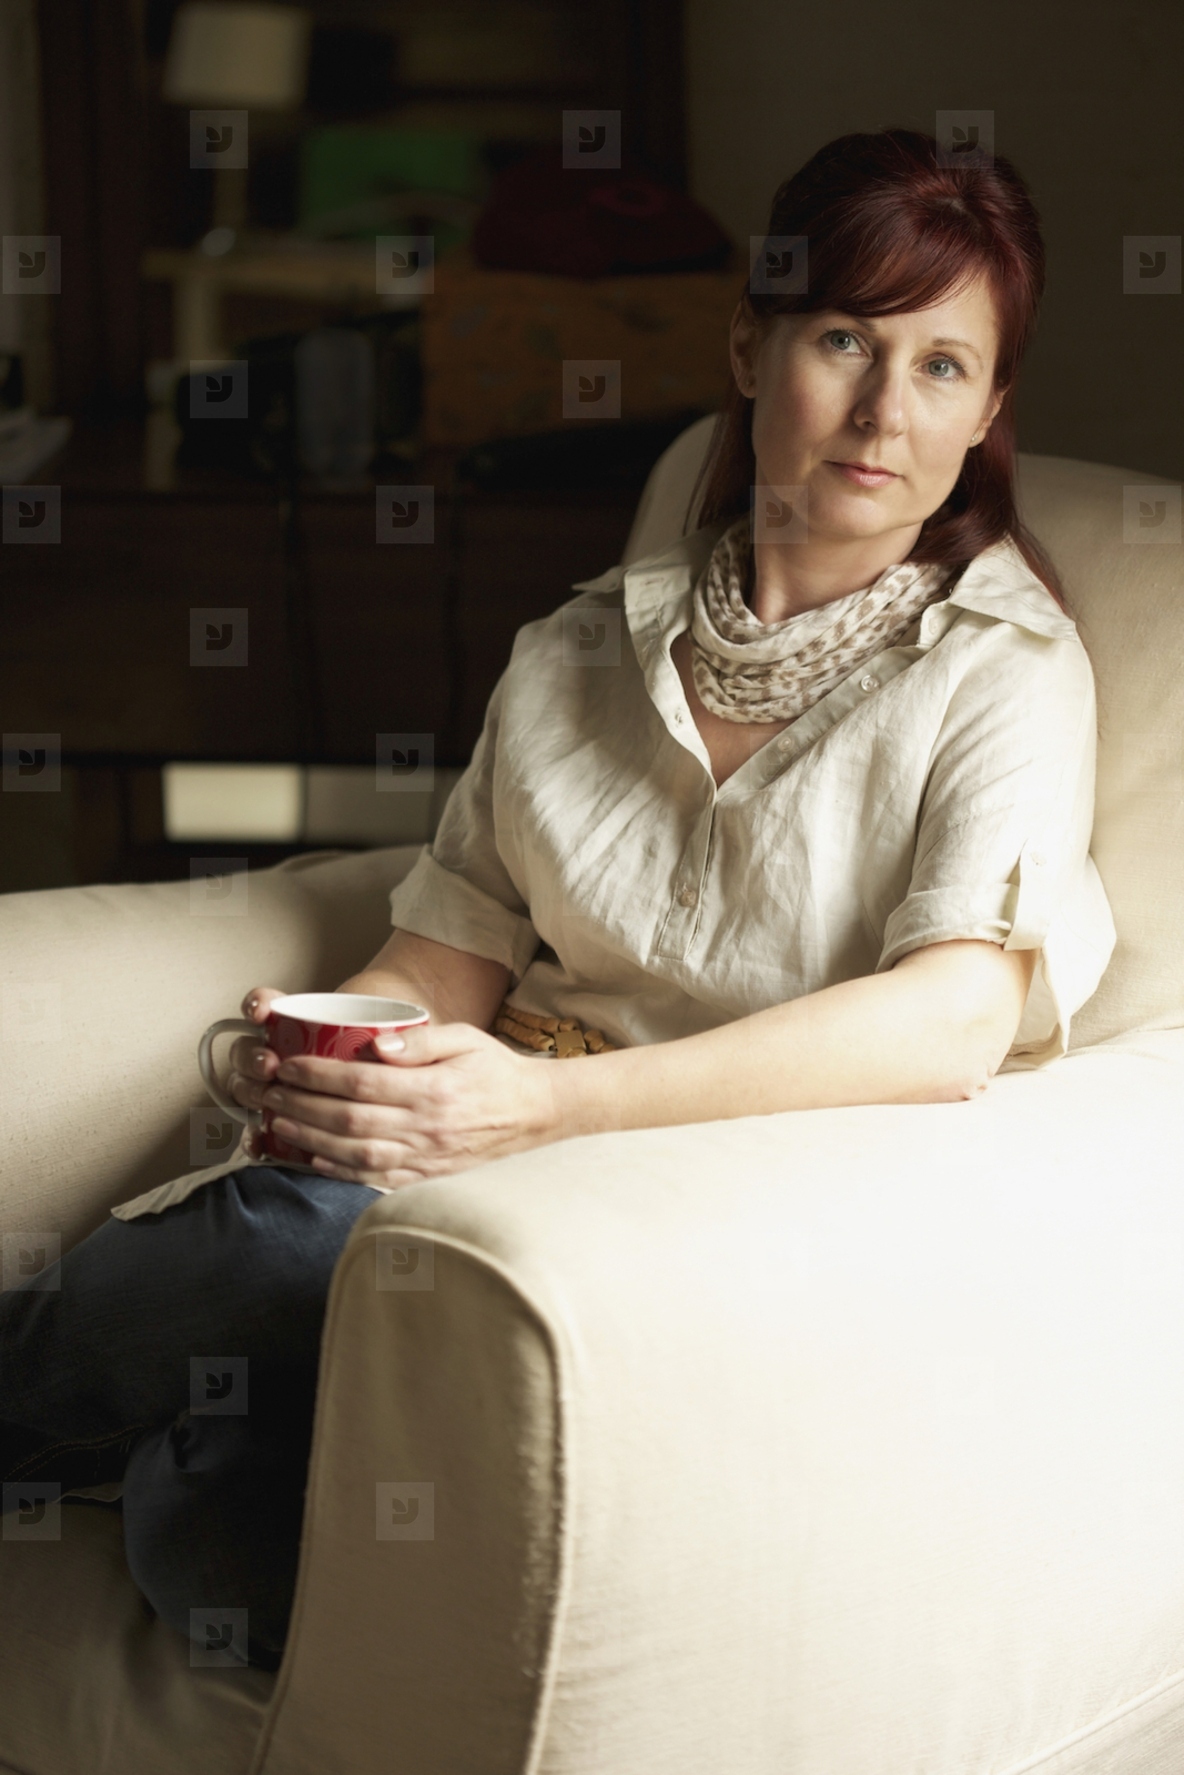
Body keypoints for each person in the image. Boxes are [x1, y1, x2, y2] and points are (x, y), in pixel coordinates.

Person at [0, 128, 1116, 1670]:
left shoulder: (1005, 672)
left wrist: (540, 1113)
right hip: (481, 1155)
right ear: (750, 342)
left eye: (941, 367)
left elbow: (950, 1021)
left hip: (733, 1197)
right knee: (273, 1391)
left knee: (279, 1258)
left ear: (990, 410)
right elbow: (442, 958)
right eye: (845, 339)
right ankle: (216, 1497)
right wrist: (338, 1059)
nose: (881, 410)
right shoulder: (580, 648)